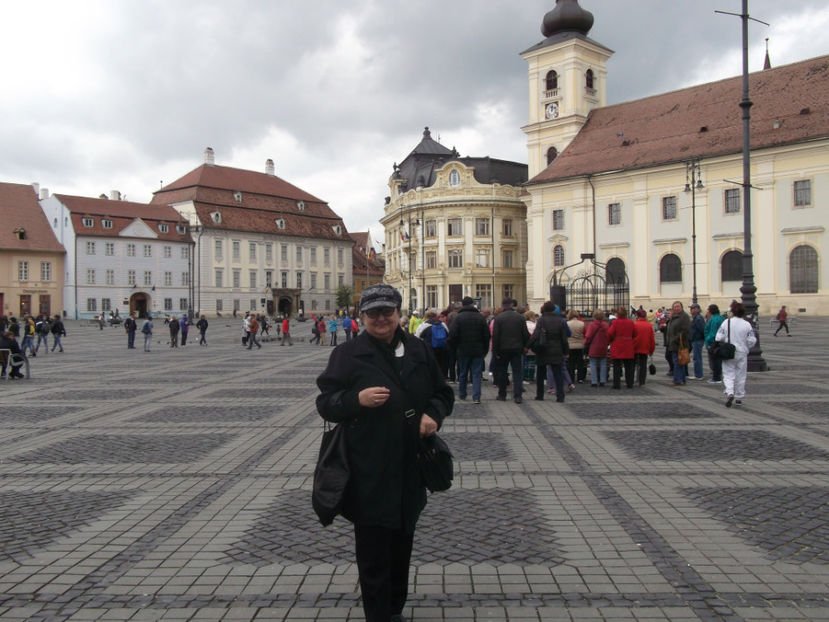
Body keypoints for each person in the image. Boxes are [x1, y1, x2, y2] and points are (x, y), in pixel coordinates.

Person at [316, 284, 453, 622]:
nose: (380, 319)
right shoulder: (347, 355)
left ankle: (394, 608)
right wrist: (355, 401)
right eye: (373, 313)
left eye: (387, 312)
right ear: (361, 317)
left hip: (410, 464)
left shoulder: (419, 350)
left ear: (398, 314)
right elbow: (326, 403)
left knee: (402, 544)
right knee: (373, 550)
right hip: (367, 468)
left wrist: (432, 416)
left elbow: (442, 393)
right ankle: (379, 615)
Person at [448, 296, 490, 404]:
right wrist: (485, 350)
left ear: (462, 305)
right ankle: (476, 397)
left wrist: (456, 347)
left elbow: (452, 335)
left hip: (462, 350)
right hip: (478, 350)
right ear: (472, 304)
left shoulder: (458, 317)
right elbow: (487, 335)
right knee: (476, 374)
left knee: (462, 373)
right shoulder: (480, 317)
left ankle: (462, 394)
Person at [717, 302, 757, 407]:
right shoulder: (747, 324)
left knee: (728, 373)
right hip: (742, 352)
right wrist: (746, 346)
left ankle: (730, 392)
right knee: (741, 375)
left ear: (733, 311)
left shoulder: (726, 322)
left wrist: (726, 339)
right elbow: (751, 340)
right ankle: (739, 397)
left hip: (729, 351)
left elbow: (718, 337)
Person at [528, 301, 569, 402]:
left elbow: (536, 335)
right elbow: (564, 338)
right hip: (556, 350)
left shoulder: (541, 320)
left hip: (543, 349)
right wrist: (566, 352)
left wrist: (527, 346)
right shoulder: (560, 321)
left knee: (540, 374)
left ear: (545, 309)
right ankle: (560, 396)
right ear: (554, 309)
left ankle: (540, 395)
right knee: (557, 374)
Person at [491, 297, 530, 403]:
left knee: (502, 372)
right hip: (517, 348)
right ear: (512, 305)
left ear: (503, 305)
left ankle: (502, 394)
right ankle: (518, 396)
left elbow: (496, 336)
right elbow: (525, 334)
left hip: (503, 349)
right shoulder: (520, 318)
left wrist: (495, 352)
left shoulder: (498, 318)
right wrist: (525, 346)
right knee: (517, 372)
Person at [416, 308, 449, 378]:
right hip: (442, 349)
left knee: (431, 365)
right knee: (441, 364)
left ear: (426, 316)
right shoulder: (442, 324)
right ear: (436, 316)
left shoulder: (423, 325)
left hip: (429, 349)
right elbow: (448, 334)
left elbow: (417, 338)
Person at [607, 306, 636, 389]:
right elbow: (634, 333)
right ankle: (629, 383)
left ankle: (617, 384)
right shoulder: (630, 322)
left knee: (616, 366)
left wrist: (610, 341)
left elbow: (610, 333)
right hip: (628, 346)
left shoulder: (615, 322)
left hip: (617, 346)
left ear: (618, 314)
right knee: (629, 366)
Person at [666, 301, 691, 386]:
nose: (676, 308)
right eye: (675, 307)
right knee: (680, 362)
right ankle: (682, 379)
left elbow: (685, 330)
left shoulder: (684, 317)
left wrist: (675, 339)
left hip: (680, 344)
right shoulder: (674, 317)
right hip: (673, 343)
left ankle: (677, 380)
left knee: (678, 362)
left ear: (681, 307)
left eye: (678, 306)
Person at [584, 309, 609, 387]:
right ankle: (602, 380)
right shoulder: (606, 325)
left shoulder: (592, 325)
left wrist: (585, 343)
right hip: (603, 346)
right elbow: (608, 336)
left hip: (593, 347)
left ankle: (594, 381)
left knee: (593, 364)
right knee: (603, 363)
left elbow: (588, 336)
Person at [632, 309, 656, 386]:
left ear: (637, 316)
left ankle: (631, 380)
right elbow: (652, 339)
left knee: (632, 365)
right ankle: (642, 382)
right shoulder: (649, 325)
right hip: (644, 348)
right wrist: (651, 350)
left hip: (634, 348)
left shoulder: (634, 324)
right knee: (643, 365)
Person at [704, 304, 726, 384]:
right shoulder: (721, 318)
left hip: (714, 343)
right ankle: (718, 376)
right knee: (718, 360)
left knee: (714, 361)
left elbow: (712, 333)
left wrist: (709, 342)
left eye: (708, 310)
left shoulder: (713, 319)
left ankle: (716, 377)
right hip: (721, 342)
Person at [566, 310, 587, 384]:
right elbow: (585, 333)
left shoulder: (567, 323)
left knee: (571, 363)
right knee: (580, 362)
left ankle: (571, 378)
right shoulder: (582, 323)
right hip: (579, 345)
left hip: (570, 345)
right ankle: (580, 378)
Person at [689, 303, 706, 379]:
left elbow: (702, 329)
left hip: (697, 340)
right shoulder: (696, 317)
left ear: (697, 309)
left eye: (692, 309)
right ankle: (697, 374)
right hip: (696, 340)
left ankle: (699, 375)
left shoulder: (698, 318)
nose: (691, 310)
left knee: (697, 358)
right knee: (696, 358)